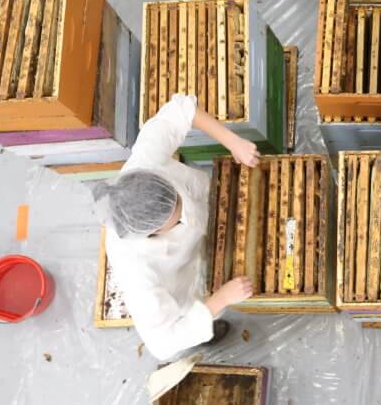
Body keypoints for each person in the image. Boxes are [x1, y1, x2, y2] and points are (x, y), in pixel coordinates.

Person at [91, 93, 261, 360]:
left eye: (177, 200)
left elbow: (180, 109)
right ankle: (209, 330)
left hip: (214, 205)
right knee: (203, 312)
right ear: (152, 232)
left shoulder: (144, 163)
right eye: (176, 218)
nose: (184, 211)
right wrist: (220, 300)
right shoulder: (136, 270)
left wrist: (233, 141)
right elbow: (162, 343)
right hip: (191, 279)